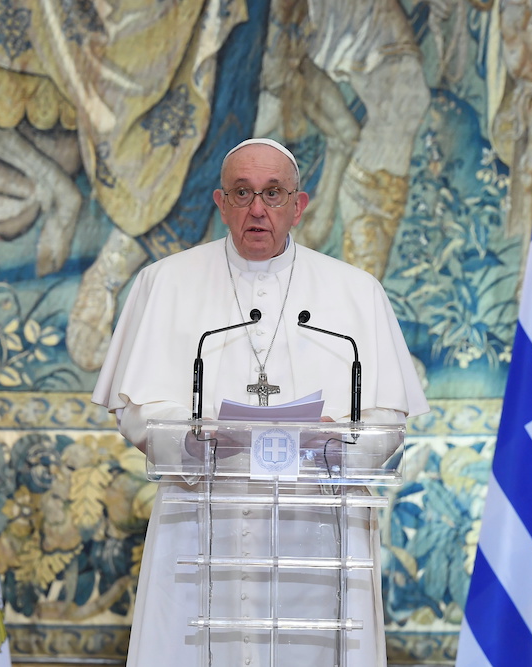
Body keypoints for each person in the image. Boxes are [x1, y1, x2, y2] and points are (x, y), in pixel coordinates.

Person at [91, 138, 429, 666]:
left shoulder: (356, 292)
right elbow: (134, 407)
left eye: (273, 193)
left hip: (316, 537)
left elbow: (390, 421)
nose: (257, 209)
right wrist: (195, 436)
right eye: (242, 192)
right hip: (200, 529)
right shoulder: (165, 283)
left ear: (300, 205)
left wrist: (339, 444)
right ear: (220, 203)